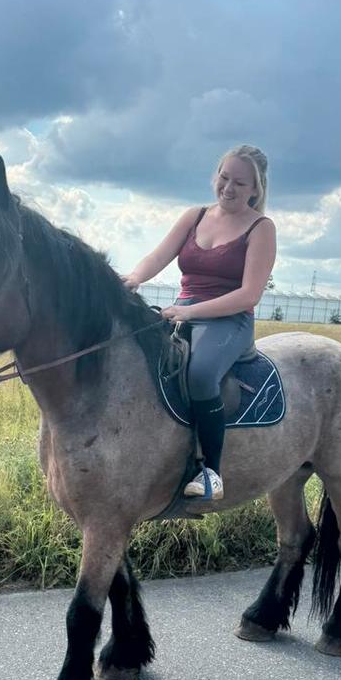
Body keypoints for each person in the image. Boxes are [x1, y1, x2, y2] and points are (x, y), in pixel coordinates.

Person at [122, 145, 277, 499]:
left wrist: (191, 312)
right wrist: (134, 278)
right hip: (183, 310)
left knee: (200, 374)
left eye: (240, 182)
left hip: (229, 319)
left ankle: (210, 473)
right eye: (224, 178)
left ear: (256, 189)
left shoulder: (261, 228)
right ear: (215, 176)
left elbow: (249, 295)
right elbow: (159, 255)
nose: (229, 188)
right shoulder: (194, 216)